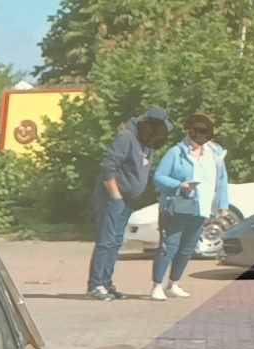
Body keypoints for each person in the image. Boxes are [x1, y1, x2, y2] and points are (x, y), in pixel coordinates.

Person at [89, 107, 171, 300]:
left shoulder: (146, 141)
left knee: (117, 240)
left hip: (127, 198)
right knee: (107, 240)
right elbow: (108, 167)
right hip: (112, 197)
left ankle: (106, 283)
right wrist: (115, 195)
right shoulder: (126, 137)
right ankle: (96, 285)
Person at [150, 112, 228, 301]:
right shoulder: (176, 152)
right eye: (196, 131)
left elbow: (222, 180)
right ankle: (157, 286)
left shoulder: (215, 153)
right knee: (169, 246)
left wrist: (222, 205)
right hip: (177, 207)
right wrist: (179, 185)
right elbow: (158, 177)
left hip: (202, 207)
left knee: (187, 248)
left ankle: (174, 284)